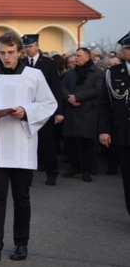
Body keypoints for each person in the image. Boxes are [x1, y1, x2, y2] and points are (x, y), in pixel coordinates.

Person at [0, 31, 57, 262]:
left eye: (11, 53)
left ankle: (21, 244)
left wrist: (26, 111)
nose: (6, 57)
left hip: (22, 145)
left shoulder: (34, 76)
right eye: (2, 53)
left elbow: (49, 103)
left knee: (21, 197)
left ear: (20, 52)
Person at [21, 34, 63, 186]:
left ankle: (52, 172)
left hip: (44, 108)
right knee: (28, 141)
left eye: (30, 46)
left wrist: (58, 111)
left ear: (37, 46)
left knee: (47, 142)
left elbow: (56, 87)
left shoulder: (49, 63)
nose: (28, 49)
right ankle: (28, 174)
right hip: (27, 109)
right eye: (25, 47)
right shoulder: (22, 63)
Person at [98, 32, 130, 217]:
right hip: (123, 132)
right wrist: (104, 130)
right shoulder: (113, 73)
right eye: (125, 48)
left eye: (126, 48)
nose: (124, 51)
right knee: (127, 177)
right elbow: (104, 104)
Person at [60, 47, 103, 182]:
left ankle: (86, 170)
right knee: (71, 142)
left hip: (88, 112)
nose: (76, 58)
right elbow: (63, 87)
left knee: (87, 143)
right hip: (72, 112)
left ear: (87, 57)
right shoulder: (70, 73)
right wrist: (69, 97)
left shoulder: (97, 73)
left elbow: (97, 90)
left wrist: (78, 97)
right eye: (75, 56)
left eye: (79, 56)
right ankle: (75, 167)